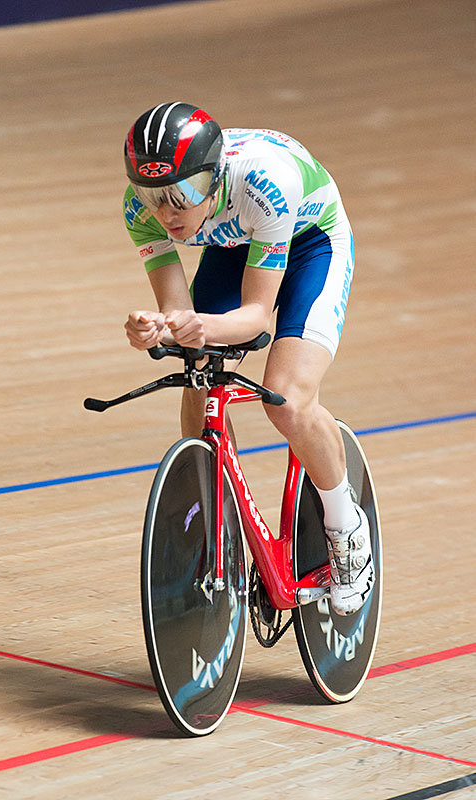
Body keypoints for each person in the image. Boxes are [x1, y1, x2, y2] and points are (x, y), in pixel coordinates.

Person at [122, 101, 375, 616]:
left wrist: (200, 326)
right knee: (198, 377)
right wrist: (157, 329)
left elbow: (258, 315)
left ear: (213, 179)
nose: (167, 212)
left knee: (287, 399)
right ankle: (223, 530)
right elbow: (178, 312)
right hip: (237, 240)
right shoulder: (139, 210)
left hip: (308, 241)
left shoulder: (266, 182)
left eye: (182, 195)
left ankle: (345, 525)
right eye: (154, 197)